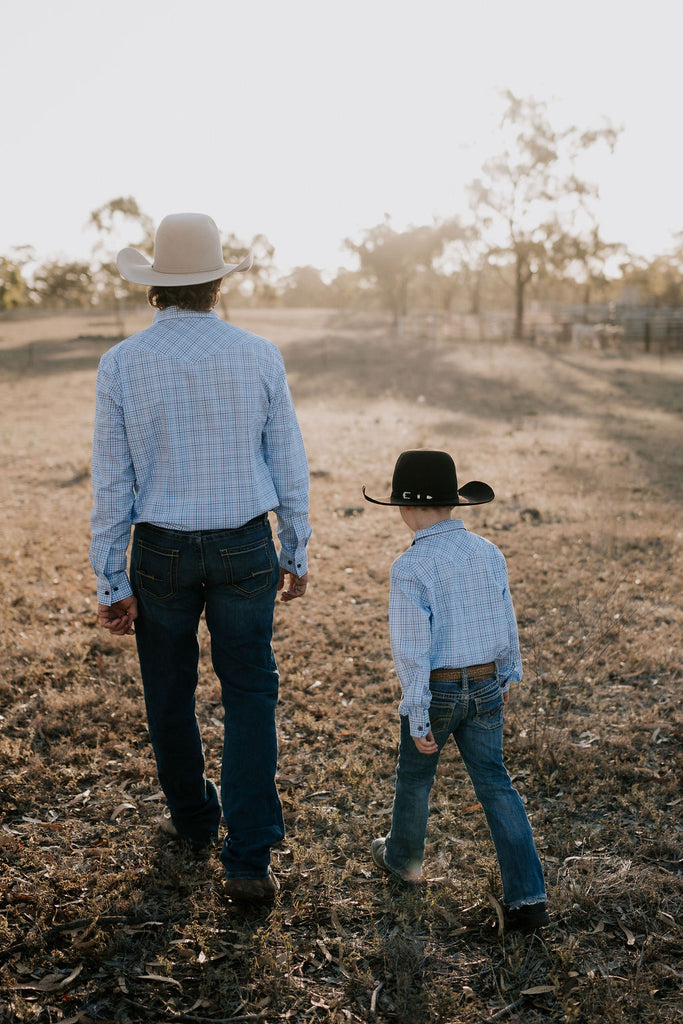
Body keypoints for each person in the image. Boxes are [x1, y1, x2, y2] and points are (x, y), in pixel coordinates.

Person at [89, 212, 311, 904]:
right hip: (245, 541)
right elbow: (289, 461)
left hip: (160, 551)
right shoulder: (258, 353)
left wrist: (109, 576)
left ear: (157, 285)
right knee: (249, 695)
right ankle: (247, 859)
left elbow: (112, 480)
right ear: (216, 281)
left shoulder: (122, 363)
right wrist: (296, 546)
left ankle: (192, 818)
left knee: (168, 690)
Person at [362, 450, 548, 935]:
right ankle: (528, 895)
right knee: (494, 781)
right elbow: (505, 619)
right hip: (487, 685)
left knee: (416, 775)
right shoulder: (488, 551)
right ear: (451, 504)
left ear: (404, 509)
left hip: (439, 691)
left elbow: (411, 650)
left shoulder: (410, 567)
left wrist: (418, 713)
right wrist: (508, 673)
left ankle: (403, 858)